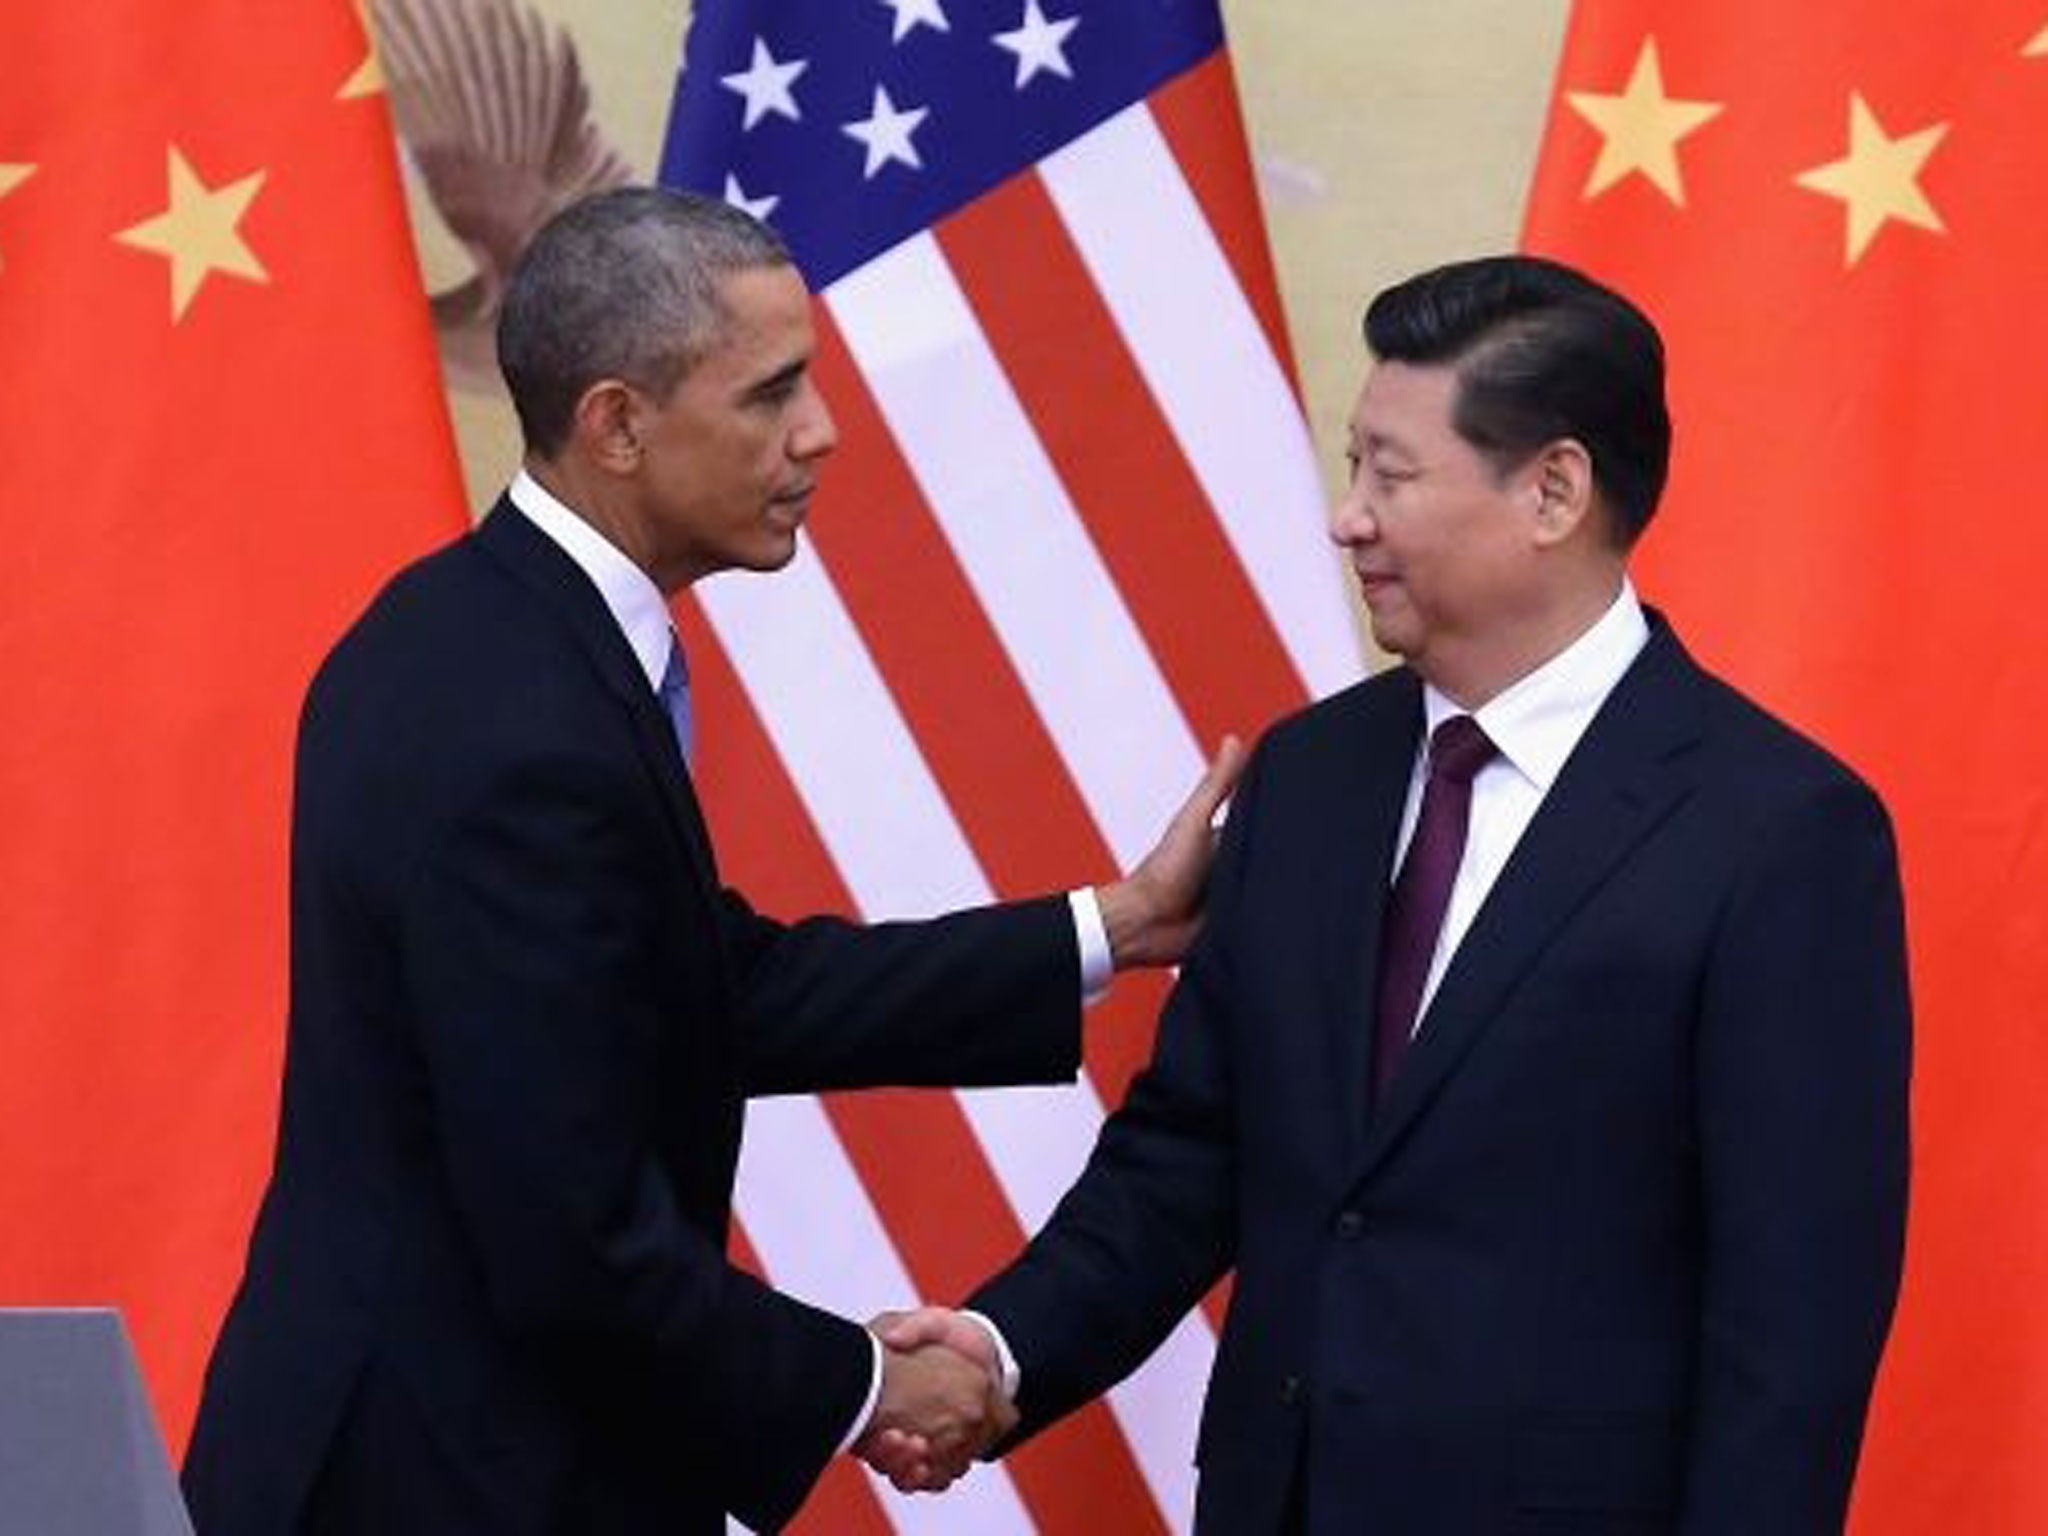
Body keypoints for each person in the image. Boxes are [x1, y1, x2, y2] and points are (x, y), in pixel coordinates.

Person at [180, 187, 1239, 1536]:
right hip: (440, 1479)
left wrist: (1116, 926)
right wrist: (867, 1384)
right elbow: (570, 1240)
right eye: (771, 394)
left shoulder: (482, 629)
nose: (821, 433)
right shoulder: (520, 727)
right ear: (618, 423)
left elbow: (704, 985)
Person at [874, 255, 1912, 1533]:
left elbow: (1793, 1324)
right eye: (1349, 464)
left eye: (1390, 472)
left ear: (1552, 492)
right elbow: (1189, 1152)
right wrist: (998, 1350)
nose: (1346, 516)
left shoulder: (1777, 832)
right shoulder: (1309, 776)